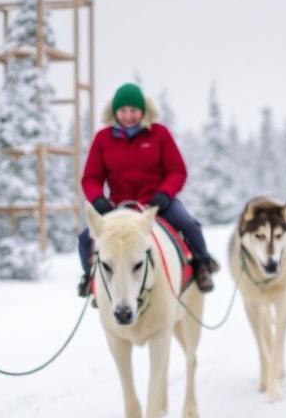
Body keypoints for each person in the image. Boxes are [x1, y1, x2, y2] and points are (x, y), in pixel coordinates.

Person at [78, 82, 215, 294]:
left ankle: (202, 265)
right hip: (119, 207)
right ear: (114, 112)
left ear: (144, 110)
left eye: (134, 110)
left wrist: (164, 195)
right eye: (123, 110)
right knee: (85, 238)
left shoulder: (159, 134)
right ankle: (91, 278)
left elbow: (177, 170)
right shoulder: (103, 139)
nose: (128, 116)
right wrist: (98, 200)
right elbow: (91, 177)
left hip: (157, 203)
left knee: (190, 225)